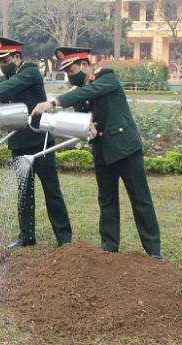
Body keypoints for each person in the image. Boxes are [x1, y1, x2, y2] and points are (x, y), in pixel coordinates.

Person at [33, 46, 162, 259]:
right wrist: (88, 127)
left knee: (140, 199)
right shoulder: (80, 92)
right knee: (107, 199)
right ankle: (109, 247)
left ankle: (153, 251)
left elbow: (91, 92)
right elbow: (86, 116)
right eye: (66, 72)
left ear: (84, 65)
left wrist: (54, 101)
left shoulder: (106, 77)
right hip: (102, 151)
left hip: (124, 148)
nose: (69, 76)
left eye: (72, 70)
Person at [0, 37, 72, 249]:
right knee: (24, 191)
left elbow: (14, 84)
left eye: (5, 60)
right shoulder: (4, 79)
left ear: (17, 57)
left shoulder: (30, 71)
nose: (2, 64)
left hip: (40, 140)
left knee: (51, 189)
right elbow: (5, 98)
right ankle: (26, 235)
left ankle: (64, 238)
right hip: (18, 142)